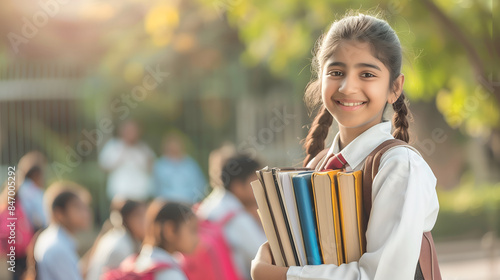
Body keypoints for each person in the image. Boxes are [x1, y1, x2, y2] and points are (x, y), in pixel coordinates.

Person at [251, 13, 440, 280]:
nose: (348, 86)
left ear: (394, 87)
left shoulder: (399, 167)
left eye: (367, 74)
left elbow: (382, 276)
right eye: (336, 72)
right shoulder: (316, 166)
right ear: (321, 79)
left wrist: (281, 275)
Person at [198, 154, 266, 280]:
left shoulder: (211, 204)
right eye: (256, 181)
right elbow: (266, 256)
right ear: (238, 187)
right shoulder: (236, 218)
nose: (262, 187)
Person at [34, 181, 92, 280]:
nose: (86, 213)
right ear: (59, 213)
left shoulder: (54, 238)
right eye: (78, 207)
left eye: (85, 207)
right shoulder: (57, 246)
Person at [133, 200, 199, 280]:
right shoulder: (169, 274)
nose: (197, 238)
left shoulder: (145, 259)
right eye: (192, 230)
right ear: (170, 230)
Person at [85, 199, 147, 280]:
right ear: (130, 219)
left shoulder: (118, 236)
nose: (146, 223)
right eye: (142, 217)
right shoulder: (121, 247)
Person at [99, 119, 155, 200]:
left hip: (140, 195)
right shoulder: (113, 146)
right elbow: (103, 166)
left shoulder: (144, 148)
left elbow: (151, 168)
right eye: (128, 130)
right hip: (119, 195)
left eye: (134, 130)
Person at [152, 133, 207, 204]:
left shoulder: (191, 164)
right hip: (167, 205)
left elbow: (199, 185)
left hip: (189, 203)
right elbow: (156, 188)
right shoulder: (160, 165)